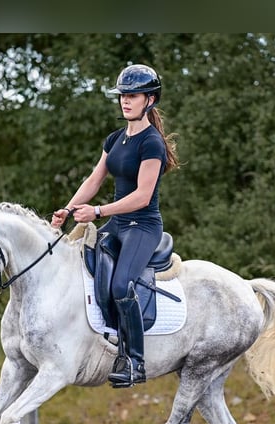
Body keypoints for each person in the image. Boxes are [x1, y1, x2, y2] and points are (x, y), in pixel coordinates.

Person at [51, 64, 179, 388]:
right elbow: (94, 179)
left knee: (122, 285)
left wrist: (97, 211)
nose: (125, 101)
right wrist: (67, 209)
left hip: (143, 225)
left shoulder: (152, 143)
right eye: (122, 96)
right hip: (118, 222)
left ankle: (135, 361)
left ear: (149, 100)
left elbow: (142, 196)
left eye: (132, 96)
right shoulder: (115, 139)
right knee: (75, 261)